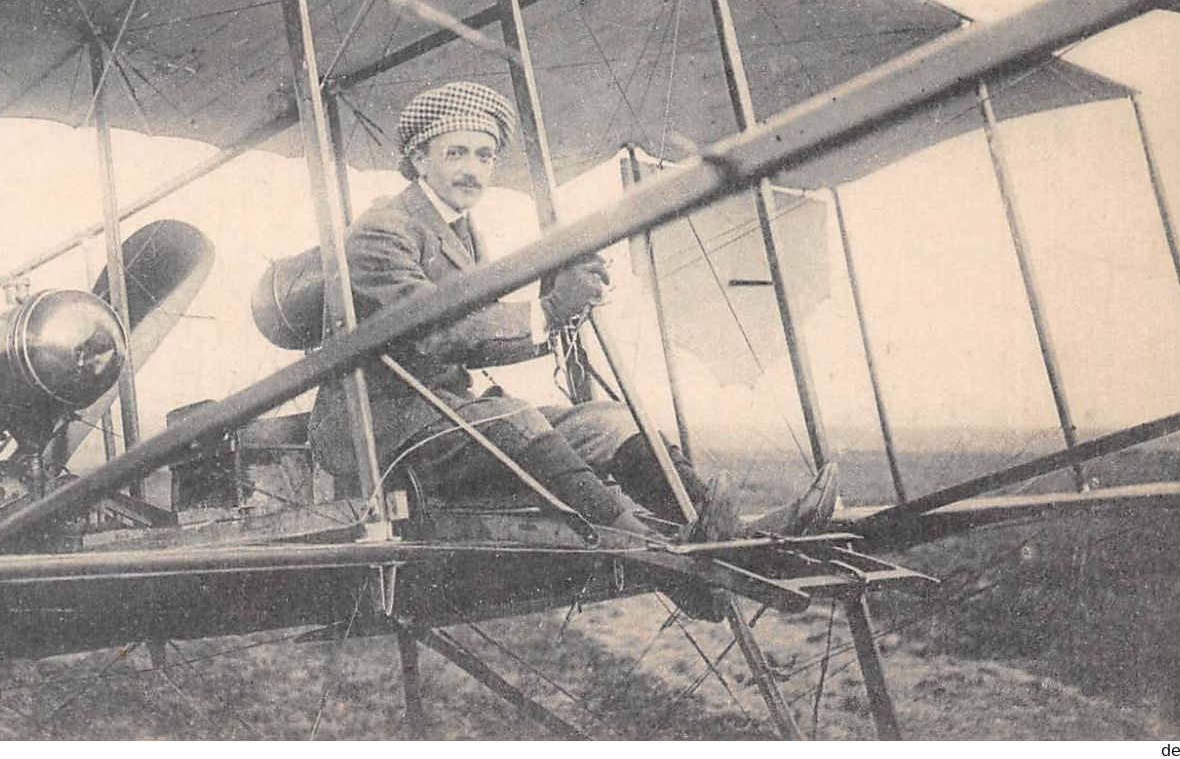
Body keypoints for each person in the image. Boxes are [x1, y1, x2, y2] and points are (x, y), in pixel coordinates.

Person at [309, 80, 837, 551]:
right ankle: (646, 543)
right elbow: (431, 333)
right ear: (420, 159)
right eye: (458, 153)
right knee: (511, 416)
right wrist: (548, 308)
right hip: (383, 434)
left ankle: (722, 527)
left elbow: (481, 334)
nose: (474, 170)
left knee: (607, 421)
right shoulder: (383, 230)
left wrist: (557, 307)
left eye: (486, 156)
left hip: (446, 419)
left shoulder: (461, 229)